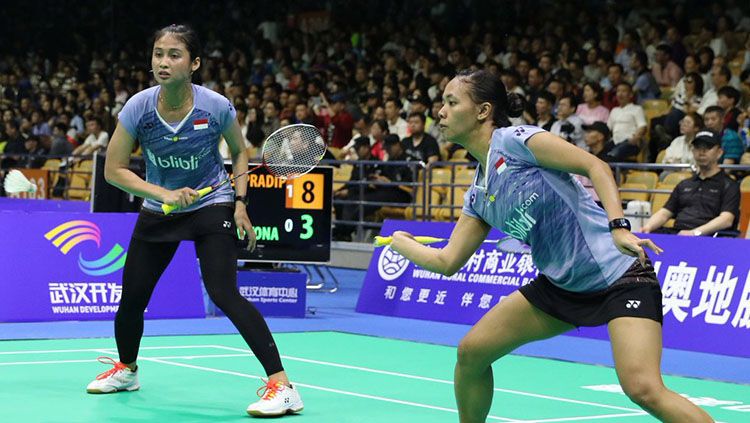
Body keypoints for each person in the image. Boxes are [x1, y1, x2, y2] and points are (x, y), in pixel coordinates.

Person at [389, 69, 714, 423]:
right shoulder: (479, 195)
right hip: (561, 287)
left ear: (483, 111)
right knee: (471, 353)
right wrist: (400, 242)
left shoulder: (515, 141)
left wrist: (619, 227)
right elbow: (447, 260)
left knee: (643, 388)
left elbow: (595, 165)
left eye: (452, 102)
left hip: (619, 277)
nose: (441, 112)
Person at [87, 24, 303, 417]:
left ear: (194, 64)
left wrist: (239, 204)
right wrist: (163, 194)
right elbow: (114, 170)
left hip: (211, 203)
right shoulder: (138, 107)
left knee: (223, 292)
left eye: (174, 55)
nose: (163, 63)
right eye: (158, 54)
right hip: (160, 209)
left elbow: (240, 152)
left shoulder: (215, 106)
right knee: (132, 299)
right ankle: (127, 369)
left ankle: (283, 386)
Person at [642, 131, 740, 237]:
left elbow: (726, 219)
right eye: (698, 147)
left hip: (709, 239)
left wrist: (695, 233)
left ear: (719, 152)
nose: (702, 151)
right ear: (692, 151)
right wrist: (647, 227)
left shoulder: (729, 185)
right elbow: (665, 213)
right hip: (679, 234)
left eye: (708, 147)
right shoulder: (684, 184)